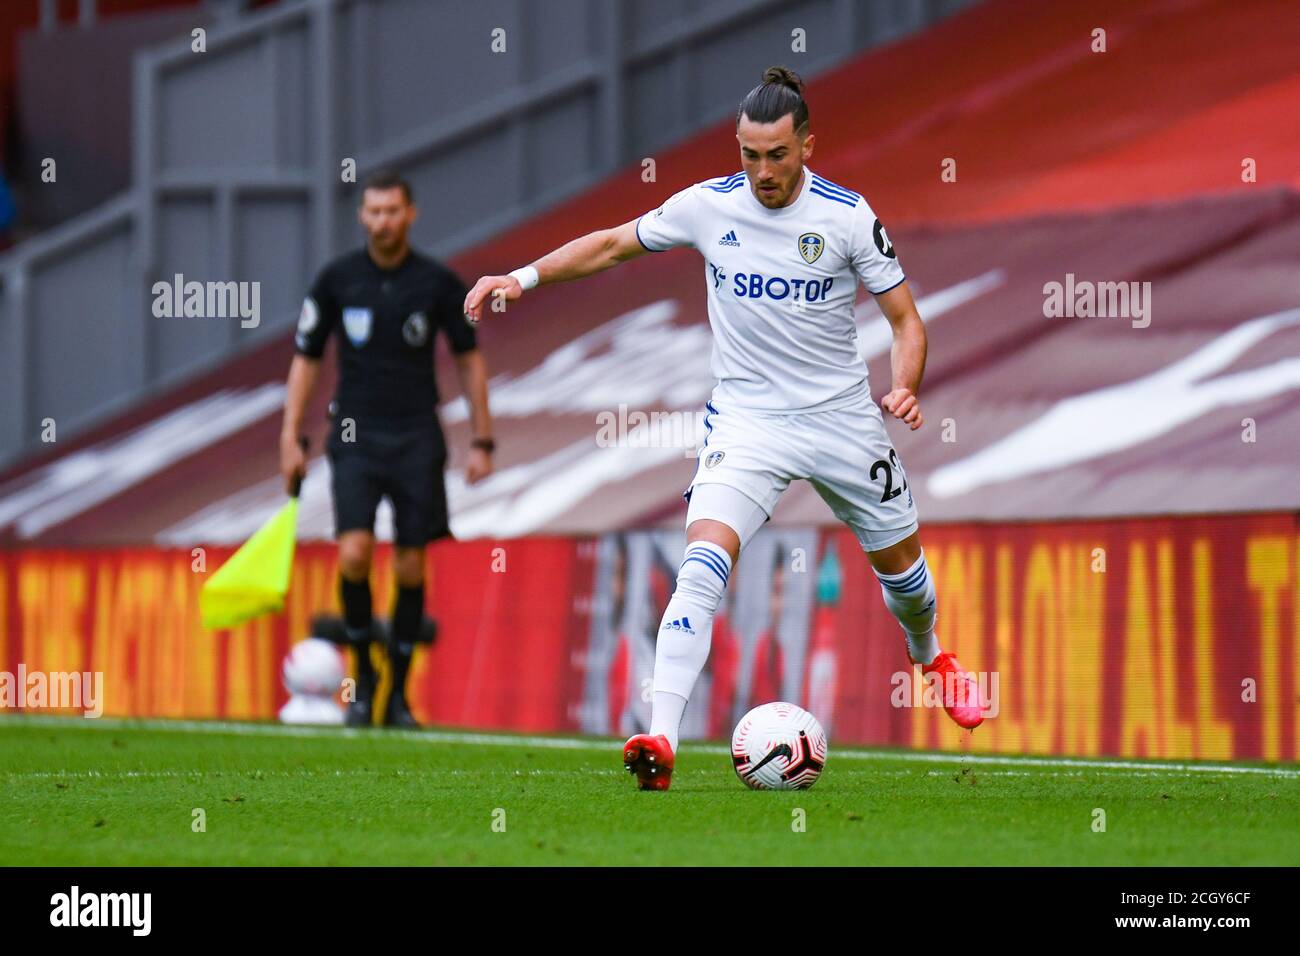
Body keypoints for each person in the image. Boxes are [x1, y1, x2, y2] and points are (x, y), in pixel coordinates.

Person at [464, 67, 985, 789]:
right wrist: (520, 278)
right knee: (703, 564)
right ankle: (661, 738)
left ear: (806, 145)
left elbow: (904, 320)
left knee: (905, 576)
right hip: (746, 424)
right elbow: (614, 244)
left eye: (776, 154)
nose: (762, 171)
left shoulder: (846, 216)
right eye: (749, 154)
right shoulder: (708, 207)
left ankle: (928, 654)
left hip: (841, 422)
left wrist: (903, 386)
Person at [281, 170, 494, 728]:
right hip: (353, 434)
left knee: (408, 564)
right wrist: (290, 436)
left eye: (392, 211)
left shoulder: (438, 284)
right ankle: (363, 676)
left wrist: (482, 437)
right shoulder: (336, 281)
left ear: (410, 214)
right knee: (352, 554)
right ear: (362, 216)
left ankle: (397, 695)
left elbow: (469, 359)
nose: (383, 222)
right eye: (373, 211)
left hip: (417, 436)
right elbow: (305, 358)